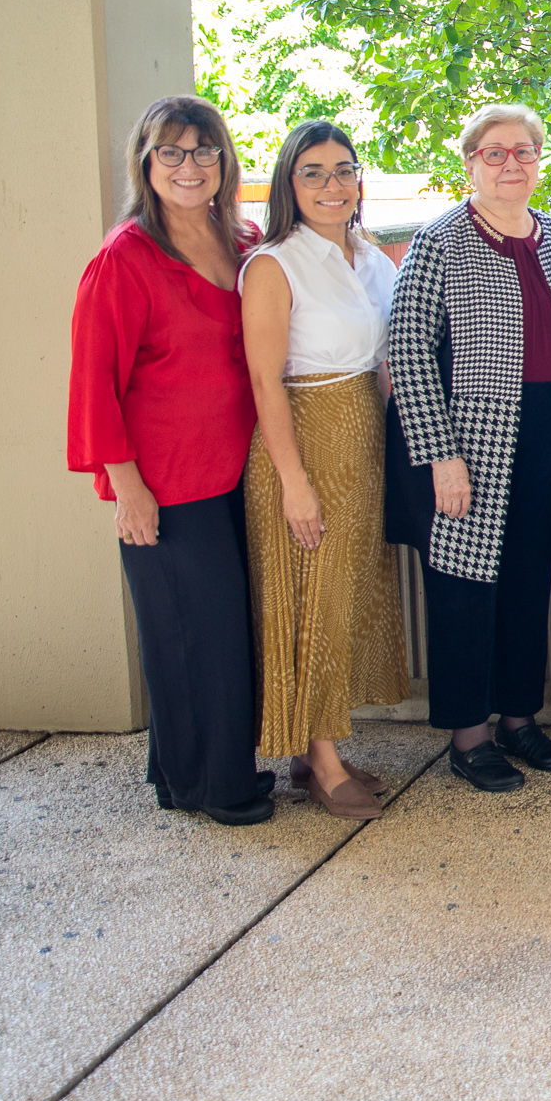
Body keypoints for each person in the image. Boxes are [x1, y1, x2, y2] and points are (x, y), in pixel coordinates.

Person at [67, 96, 274, 825]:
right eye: (172, 153)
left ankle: (183, 771)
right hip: (163, 479)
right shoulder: (124, 257)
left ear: (224, 160)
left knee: (218, 629)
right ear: (147, 164)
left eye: (204, 151)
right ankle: (216, 787)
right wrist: (127, 487)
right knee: (193, 634)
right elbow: (94, 385)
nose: (190, 167)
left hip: (234, 470)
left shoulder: (242, 239)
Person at [386, 104, 551, 792]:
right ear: (470, 163)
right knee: (464, 586)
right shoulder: (440, 240)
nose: (510, 164)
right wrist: (441, 454)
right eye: (494, 153)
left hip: (547, 431)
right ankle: (469, 734)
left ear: (538, 161)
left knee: (530, 580)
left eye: (523, 152)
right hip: (471, 444)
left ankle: (520, 718)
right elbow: (407, 352)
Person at [240, 120, 406, 820]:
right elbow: (264, 381)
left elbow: (390, 360)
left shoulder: (372, 259)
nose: (332, 183)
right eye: (313, 172)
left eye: (344, 169)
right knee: (312, 600)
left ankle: (324, 746)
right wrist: (295, 483)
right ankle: (320, 761)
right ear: (289, 184)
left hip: (366, 438)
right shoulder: (275, 264)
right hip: (305, 439)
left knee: (345, 600)